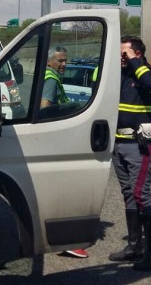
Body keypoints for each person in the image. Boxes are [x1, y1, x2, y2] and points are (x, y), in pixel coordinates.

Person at [109, 36, 151, 271]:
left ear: (138, 54)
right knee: (129, 194)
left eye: (126, 54)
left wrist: (133, 62)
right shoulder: (122, 76)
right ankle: (135, 247)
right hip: (120, 143)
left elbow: (149, 84)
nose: (122, 58)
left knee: (140, 193)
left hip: (141, 144)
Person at [42, 46, 88, 258]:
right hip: (57, 141)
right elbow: (45, 108)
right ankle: (66, 241)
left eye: (65, 60)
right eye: (60, 60)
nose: (64, 64)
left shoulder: (50, 76)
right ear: (50, 61)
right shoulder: (51, 80)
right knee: (66, 193)